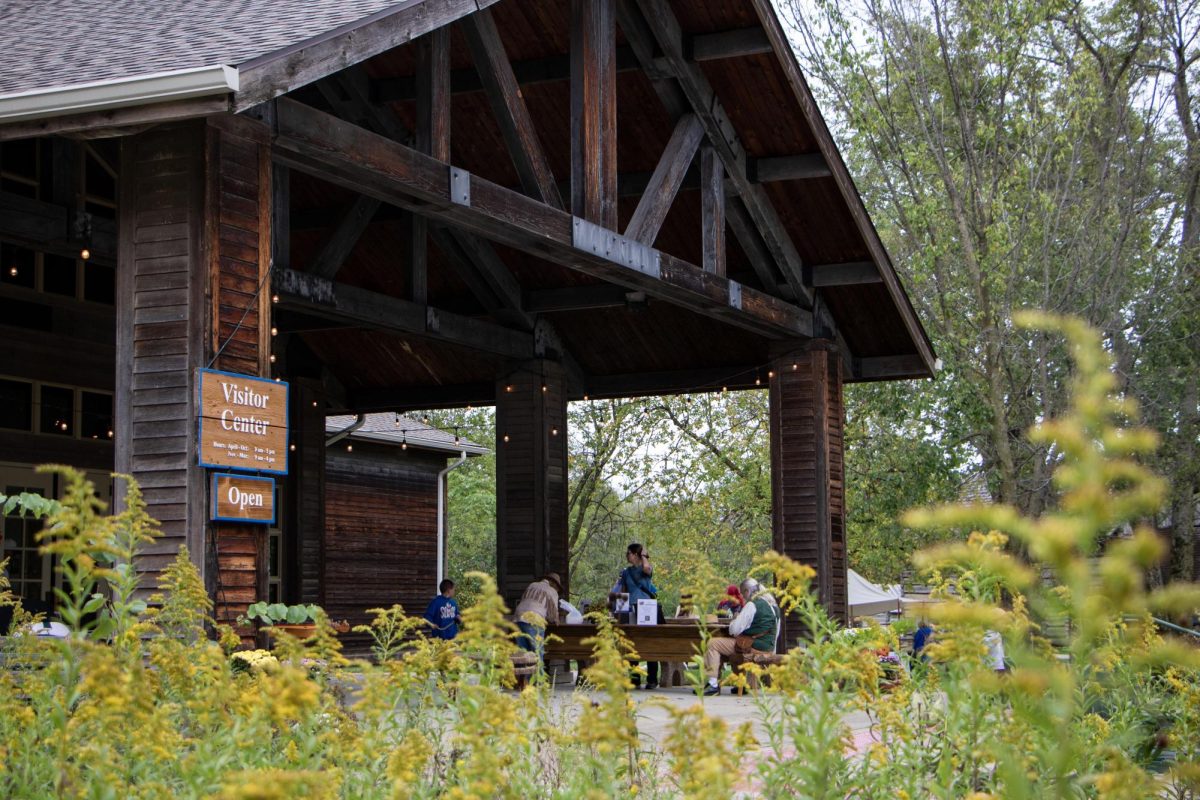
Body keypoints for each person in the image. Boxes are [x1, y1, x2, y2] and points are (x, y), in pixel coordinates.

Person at [703, 577, 778, 696]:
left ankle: (713, 685)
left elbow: (734, 630)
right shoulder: (773, 605)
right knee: (736, 647)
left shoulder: (752, 605)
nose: (743, 597)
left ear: (748, 591)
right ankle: (741, 684)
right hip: (768, 647)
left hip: (753, 646)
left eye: (743, 593)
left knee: (713, 643)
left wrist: (735, 618)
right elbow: (776, 632)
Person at [611, 543, 663, 689]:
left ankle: (652, 679)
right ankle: (635, 677)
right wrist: (619, 612)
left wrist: (644, 556)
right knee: (632, 643)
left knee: (649, 642)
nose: (626, 556)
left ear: (635, 554)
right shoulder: (626, 571)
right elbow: (623, 590)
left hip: (647, 609)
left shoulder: (646, 568)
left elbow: (647, 568)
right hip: (632, 609)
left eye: (628, 553)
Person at [515, 572, 562, 661]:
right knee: (537, 653)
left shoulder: (532, 585)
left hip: (518, 618)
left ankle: (524, 674)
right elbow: (553, 616)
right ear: (553, 583)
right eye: (557, 587)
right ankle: (538, 674)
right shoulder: (553, 591)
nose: (557, 589)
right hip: (534, 620)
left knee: (523, 654)